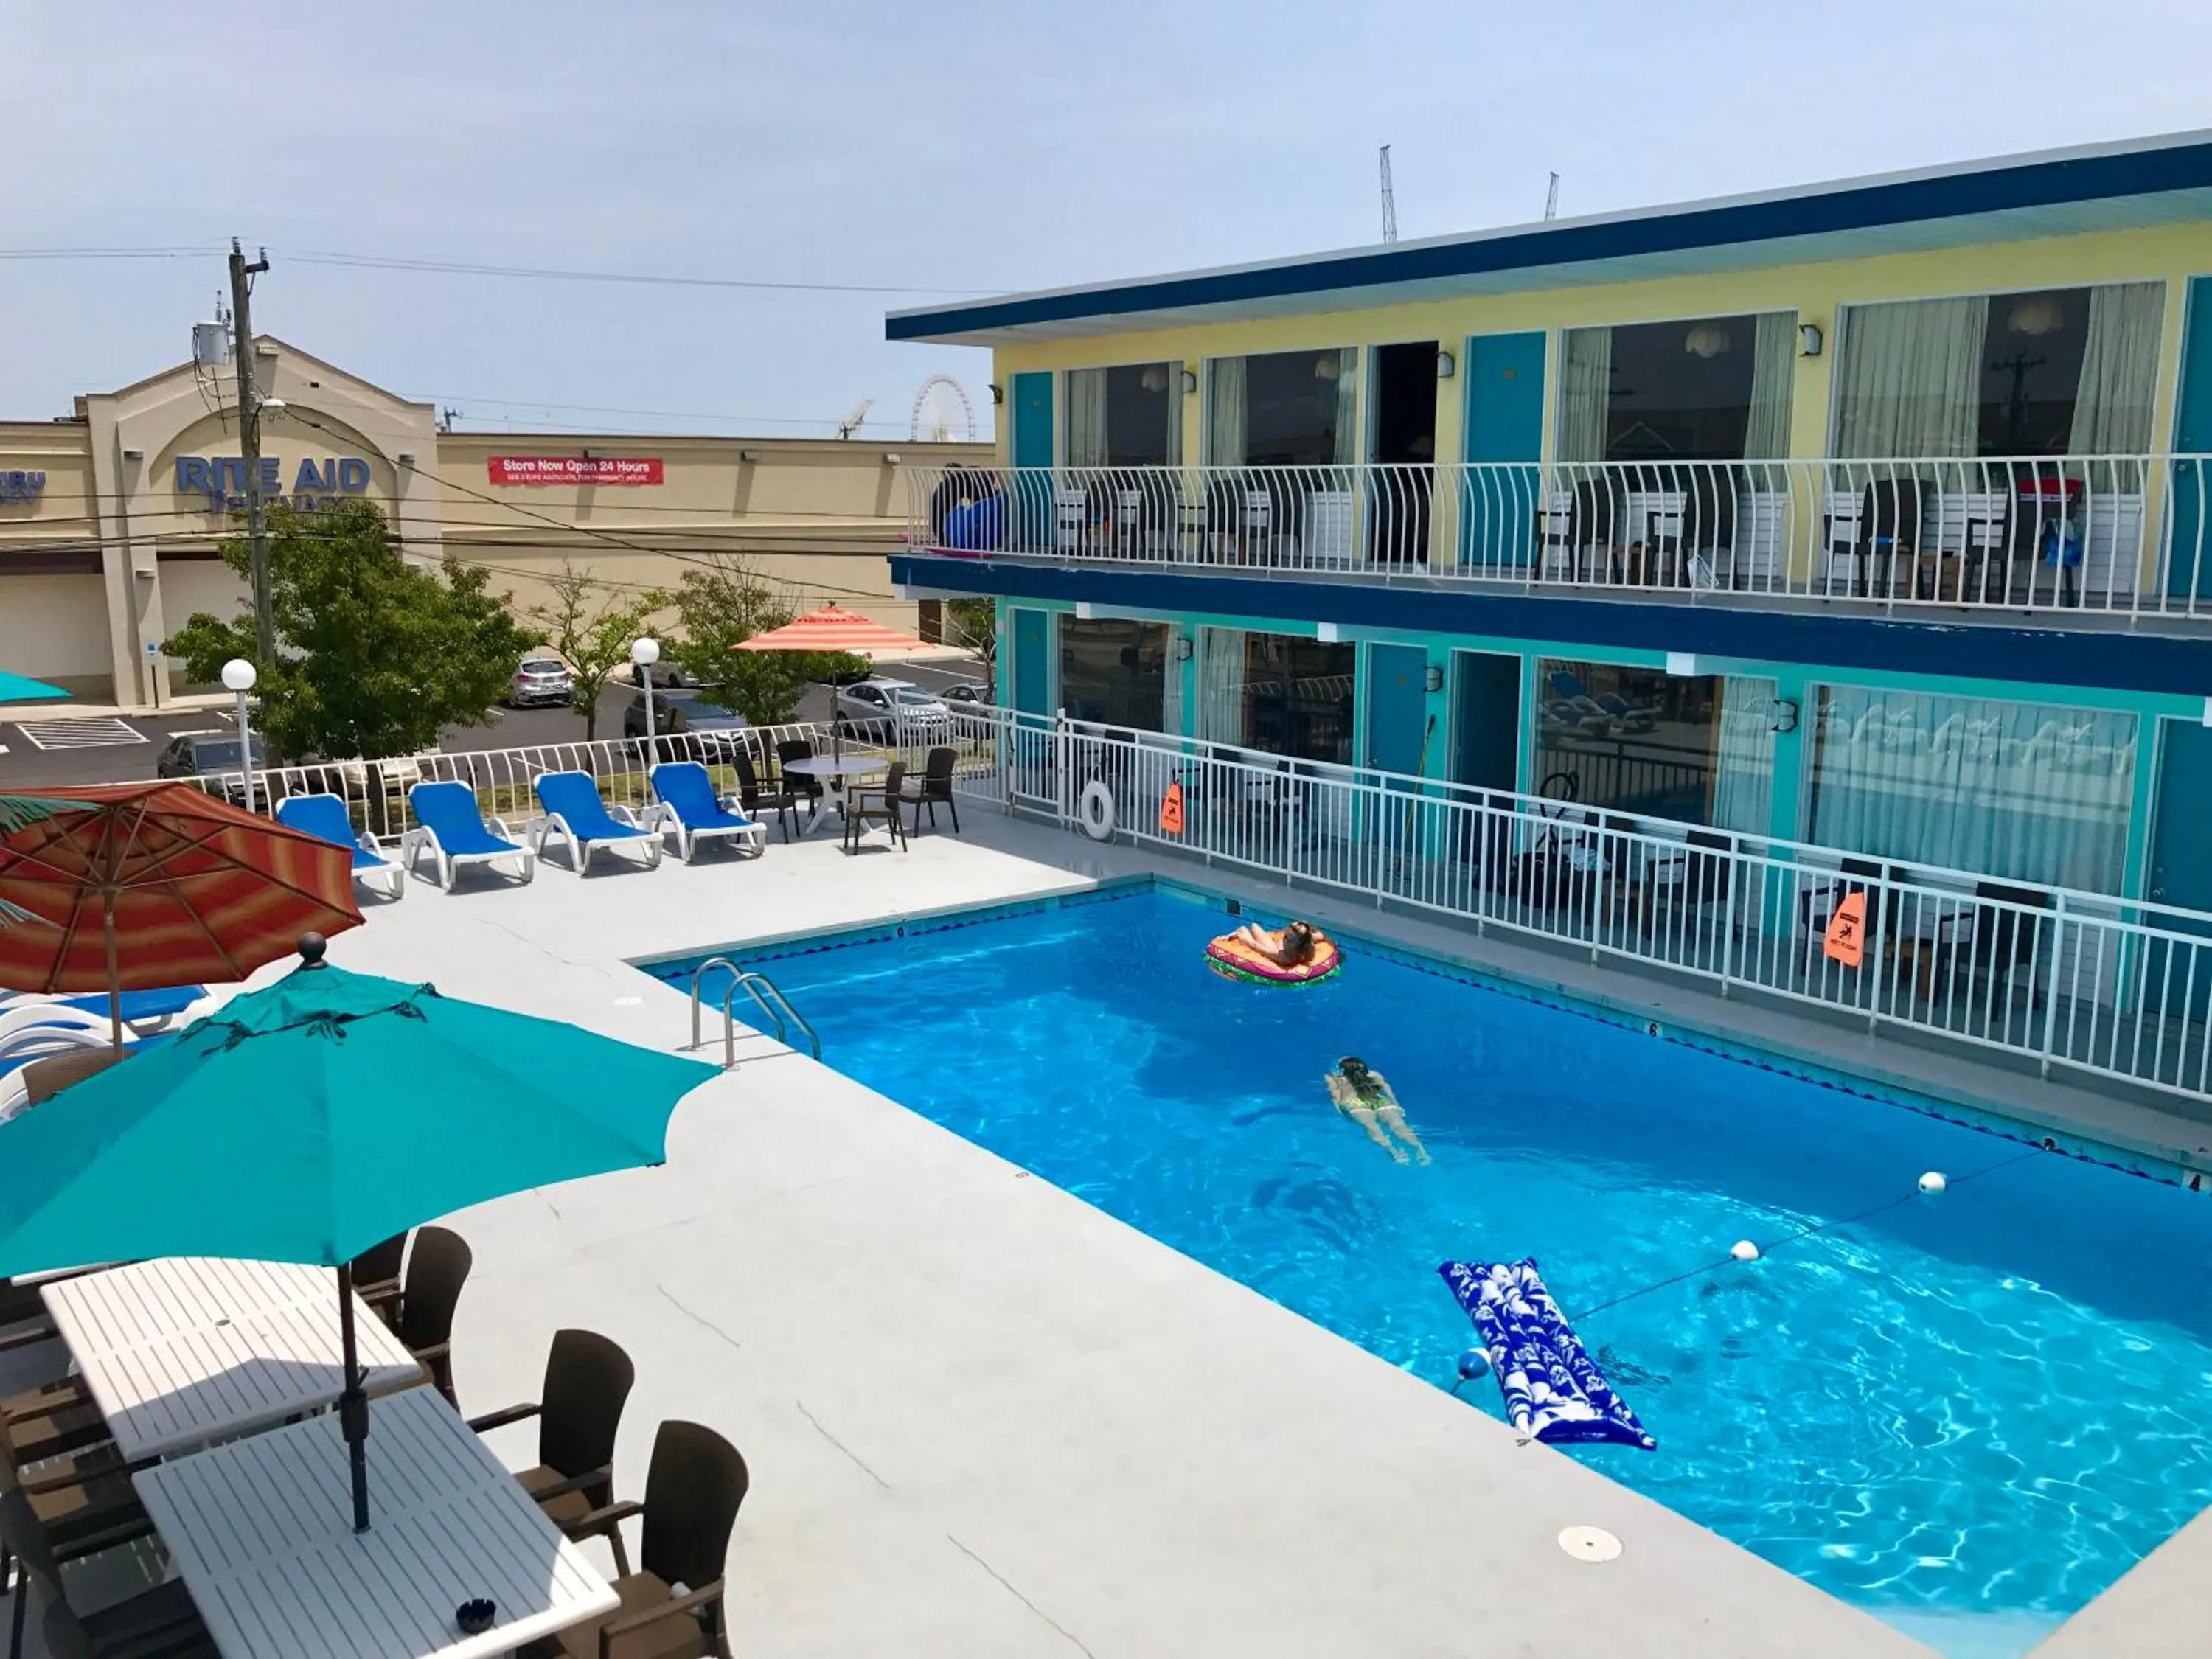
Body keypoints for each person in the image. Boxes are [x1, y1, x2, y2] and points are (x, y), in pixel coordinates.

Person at [1324, 1055, 1429, 1165]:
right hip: (1378, 1101)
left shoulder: (1334, 1079)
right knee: (1398, 1126)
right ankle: (1420, 1150)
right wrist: (1397, 1106)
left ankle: (1394, 1153)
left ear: (1342, 1069)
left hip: (1355, 1106)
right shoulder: (1373, 1074)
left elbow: (1335, 1095)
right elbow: (1387, 1090)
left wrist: (1341, 1112)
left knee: (1373, 1129)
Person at [1233, 918, 1318, 969]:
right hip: (1278, 947)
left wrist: (1238, 935)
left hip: (1272, 949)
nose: (1284, 938)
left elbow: (1255, 946)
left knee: (1244, 929)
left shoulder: (1284, 958)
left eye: (1286, 937)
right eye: (1285, 935)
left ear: (1297, 944)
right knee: (1254, 926)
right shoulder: (1307, 946)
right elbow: (1317, 936)